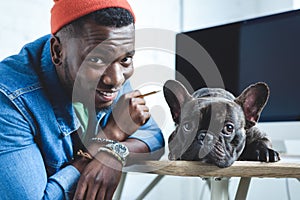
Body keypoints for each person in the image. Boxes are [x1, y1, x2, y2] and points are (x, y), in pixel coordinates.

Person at [0, 0, 165, 199]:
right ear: (57, 52)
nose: (116, 80)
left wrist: (112, 154)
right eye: (96, 60)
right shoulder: (9, 99)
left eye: (126, 60)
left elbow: (153, 136)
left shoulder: (110, 73)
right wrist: (112, 134)